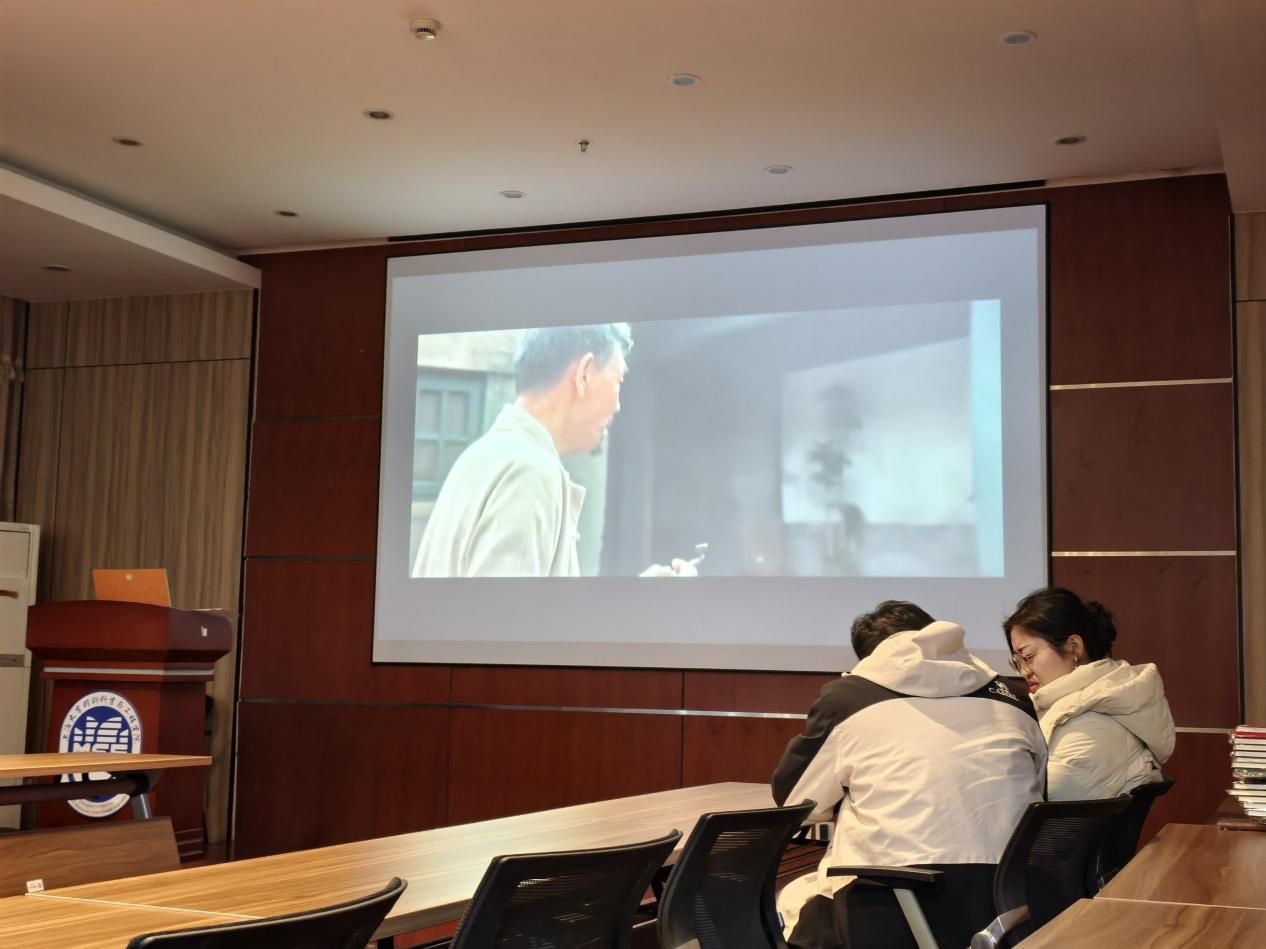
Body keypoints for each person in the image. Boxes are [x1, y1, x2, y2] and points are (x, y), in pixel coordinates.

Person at [772, 601, 1046, 949]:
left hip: (892, 902)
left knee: (794, 906)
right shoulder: (1014, 699)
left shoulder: (848, 698)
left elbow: (797, 802)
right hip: (1011, 902)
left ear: (870, 658)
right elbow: (1039, 790)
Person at [411, 322, 695, 578]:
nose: (618, 405)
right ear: (584, 374)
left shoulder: (483, 454)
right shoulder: (530, 472)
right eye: (618, 379)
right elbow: (506, 618)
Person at [1003, 586, 1175, 801]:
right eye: (1017, 661)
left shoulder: (1091, 721)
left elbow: (1029, 801)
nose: (1024, 672)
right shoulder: (1094, 701)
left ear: (1073, 646)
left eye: (1028, 656)